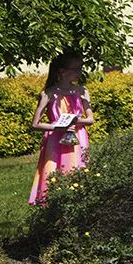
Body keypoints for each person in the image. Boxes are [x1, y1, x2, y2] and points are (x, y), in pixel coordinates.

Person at [29, 52, 94, 206]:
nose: (79, 72)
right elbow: (35, 124)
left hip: (78, 137)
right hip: (56, 139)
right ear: (62, 71)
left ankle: (78, 205)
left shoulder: (82, 91)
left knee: (78, 168)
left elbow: (90, 119)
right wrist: (58, 126)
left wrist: (77, 121)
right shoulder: (49, 93)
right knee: (54, 171)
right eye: (76, 69)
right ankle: (53, 205)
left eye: (80, 68)